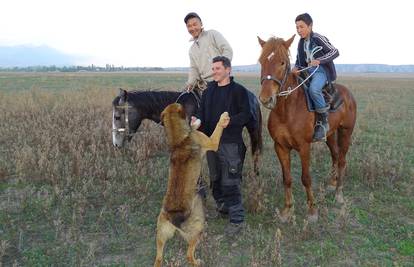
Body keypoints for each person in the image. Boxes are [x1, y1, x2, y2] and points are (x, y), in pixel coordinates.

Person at [191, 56, 251, 237]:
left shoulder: (239, 91)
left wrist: (231, 121)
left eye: (217, 68)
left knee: (230, 181)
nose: (214, 72)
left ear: (228, 70)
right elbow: (202, 113)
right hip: (211, 143)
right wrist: (197, 120)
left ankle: (237, 221)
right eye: (213, 68)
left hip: (230, 144)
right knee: (215, 178)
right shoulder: (208, 91)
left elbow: (246, 115)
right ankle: (223, 208)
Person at [292, 13, 339, 141]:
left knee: (313, 89)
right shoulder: (301, 42)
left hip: (321, 70)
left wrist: (319, 60)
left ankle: (323, 121)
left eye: (301, 27)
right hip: (306, 70)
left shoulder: (318, 38)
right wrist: (296, 67)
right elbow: (299, 59)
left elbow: (335, 51)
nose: (299, 30)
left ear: (310, 26)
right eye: (297, 27)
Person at [184, 12, 233, 91]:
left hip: (223, 81)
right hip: (205, 86)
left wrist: (220, 71)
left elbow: (227, 50)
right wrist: (189, 84)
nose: (192, 28)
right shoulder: (192, 49)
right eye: (189, 26)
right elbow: (194, 69)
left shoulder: (212, 34)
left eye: (195, 24)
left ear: (201, 24)